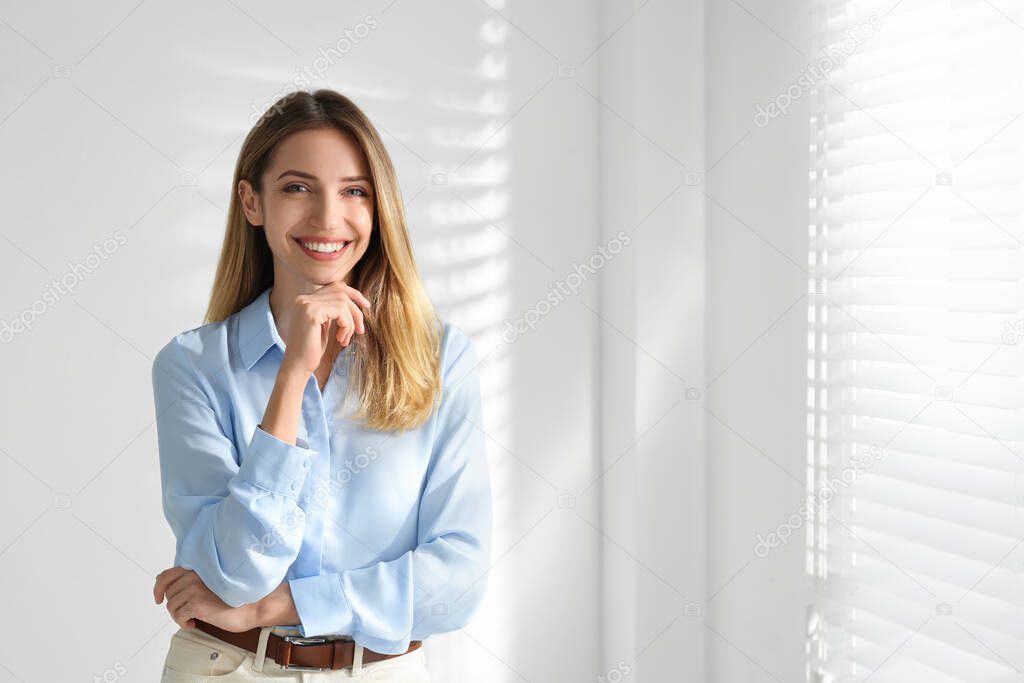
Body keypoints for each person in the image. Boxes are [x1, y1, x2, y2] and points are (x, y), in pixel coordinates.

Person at [149, 89, 492, 681]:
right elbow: (235, 574)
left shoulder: (441, 359)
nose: (329, 218)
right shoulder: (192, 365)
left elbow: (456, 582)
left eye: (354, 190)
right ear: (252, 202)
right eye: (297, 187)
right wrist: (291, 377)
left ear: (378, 206)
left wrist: (283, 607)